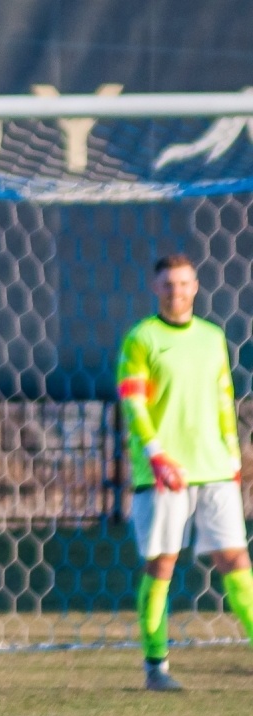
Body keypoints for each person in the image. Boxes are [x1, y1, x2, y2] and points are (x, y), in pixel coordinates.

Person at [119, 253, 253, 692]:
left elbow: (221, 399)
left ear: (195, 287)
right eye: (167, 284)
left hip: (214, 468)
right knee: (162, 564)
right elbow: (133, 402)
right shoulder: (142, 339)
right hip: (163, 473)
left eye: (183, 283)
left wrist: (232, 459)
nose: (176, 291)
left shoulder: (213, 337)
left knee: (236, 560)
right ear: (155, 289)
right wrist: (156, 455)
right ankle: (155, 666)